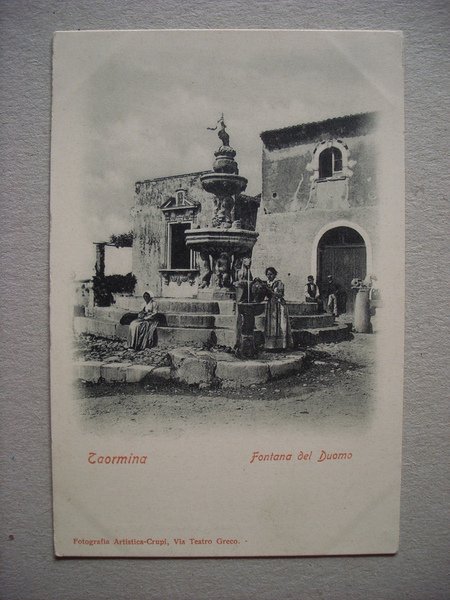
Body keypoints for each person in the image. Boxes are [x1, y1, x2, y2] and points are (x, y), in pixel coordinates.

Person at [264, 267, 293, 350]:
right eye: (268, 274)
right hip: (271, 306)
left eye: (271, 274)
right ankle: (271, 346)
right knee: (271, 325)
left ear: (275, 274)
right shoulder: (267, 283)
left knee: (281, 324)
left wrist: (271, 292)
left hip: (279, 306)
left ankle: (281, 345)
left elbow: (280, 294)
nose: (269, 276)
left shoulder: (279, 283)